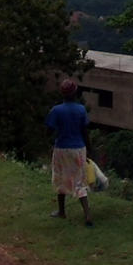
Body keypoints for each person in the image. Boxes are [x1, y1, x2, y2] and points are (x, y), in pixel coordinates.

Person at [50, 85, 95, 225]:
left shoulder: (56, 110)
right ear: (75, 93)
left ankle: (61, 211)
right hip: (78, 148)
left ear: (62, 94)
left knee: (60, 177)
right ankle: (87, 214)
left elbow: (49, 130)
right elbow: (85, 132)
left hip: (61, 148)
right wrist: (90, 149)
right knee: (80, 181)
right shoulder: (81, 109)